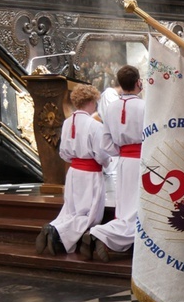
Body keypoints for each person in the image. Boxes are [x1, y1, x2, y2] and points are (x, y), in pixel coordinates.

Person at [36, 84, 111, 256]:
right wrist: (108, 161)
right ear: (92, 101)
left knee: (72, 210)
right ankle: (55, 232)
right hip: (90, 174)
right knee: (90, 215)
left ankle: (54, 227)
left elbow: (63, 153)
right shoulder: (95, 125)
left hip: (73, 172)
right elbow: (101, 154)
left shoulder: (67, 122)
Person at [81, 65, 145, 262]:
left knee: (126, 207)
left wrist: (123, 152)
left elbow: (106, 143)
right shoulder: (146, 107)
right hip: (143, 163)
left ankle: (107, 236)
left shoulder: (110, 108)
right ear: (138, 83)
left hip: (124, 163)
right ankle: (103, 234)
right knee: (138, 210)